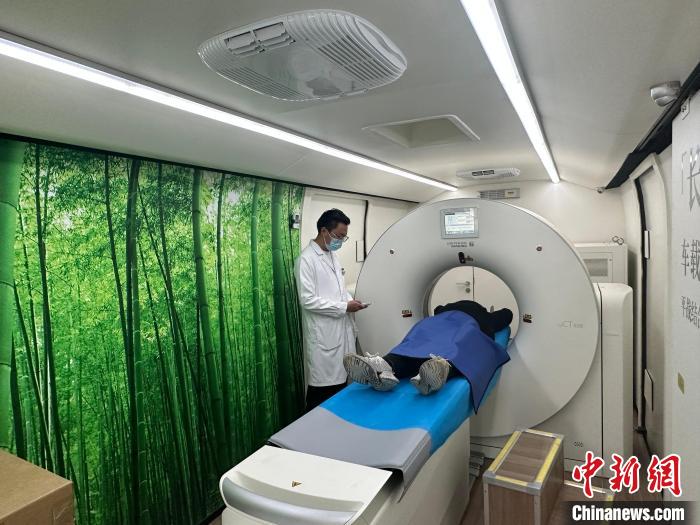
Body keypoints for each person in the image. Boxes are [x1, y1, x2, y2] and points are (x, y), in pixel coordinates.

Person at [344, 300, 513, 396]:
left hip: (434, 327)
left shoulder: (442, 311)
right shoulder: (486, 316)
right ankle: (437, 371)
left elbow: (437, 308)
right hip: (463, 328)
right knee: (461, 348)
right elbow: (507, 314)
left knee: (414, 344)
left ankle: (384, 366)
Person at [295, 209, 367, 411]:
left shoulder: (332, 256)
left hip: (341, 333)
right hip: (324, 339)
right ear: (324, 231)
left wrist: (351, 301)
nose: (341, 241)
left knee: (341, 390)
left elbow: (339, 290)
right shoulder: (306, 260)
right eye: (339, 236)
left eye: (344, 237)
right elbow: (307, 300)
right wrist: (344, 307)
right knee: (321, 395)